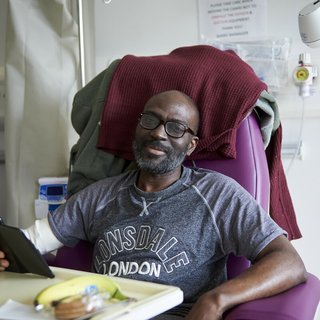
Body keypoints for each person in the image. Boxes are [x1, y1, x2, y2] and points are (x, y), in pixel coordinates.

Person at [0, 90, 307, 320]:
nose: (159, 132)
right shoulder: (99, 196)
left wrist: (217, 299)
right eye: (151, 120)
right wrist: (7, 253)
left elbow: (289, 263)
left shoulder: (218, 195)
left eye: (176, 127)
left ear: (192, 145)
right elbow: (32, 241)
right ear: (138, 127)